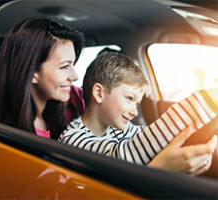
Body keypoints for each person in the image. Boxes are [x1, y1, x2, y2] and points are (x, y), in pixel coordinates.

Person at [59, 51, 218, 175]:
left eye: (137, 103)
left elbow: (150, 136)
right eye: (129, 98)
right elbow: (126, 155)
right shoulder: (73, 140)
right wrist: (207, 101)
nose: (135, 112)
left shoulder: (119, 128)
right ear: (99, 93)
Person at [0, 17, 85, 139]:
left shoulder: (71, 101)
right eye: (65, 66)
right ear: (33, 73)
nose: (75, 76)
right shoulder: (8, 134)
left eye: (73, 64)